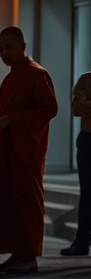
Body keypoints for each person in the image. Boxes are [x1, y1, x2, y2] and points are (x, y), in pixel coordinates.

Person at [0, 26, 57, 273]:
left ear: (23, 46)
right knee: (9, 203)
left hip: (26, 152)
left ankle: (28, 256)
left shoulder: (37, 74)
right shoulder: (12, 77)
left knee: (25, 203)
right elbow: (1, 106)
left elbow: (48, 110)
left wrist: (13, 120)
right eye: (0, 48)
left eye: (8, 47)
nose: (3, 53)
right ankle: (16, 253)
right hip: (8, 149)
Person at [62, 71, 91, 256]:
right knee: (87, 192)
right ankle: (82, 241)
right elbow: (77, 108)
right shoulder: (86, 79)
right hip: (89, 140)